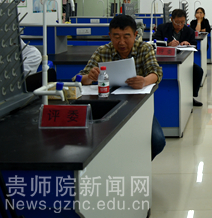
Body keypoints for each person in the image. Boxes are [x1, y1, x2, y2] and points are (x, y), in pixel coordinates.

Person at [76, 14, 165, 160]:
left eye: (126, 36)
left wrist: (144, 81)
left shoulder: (144, 49)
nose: (121, 42)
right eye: (116, 37)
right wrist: (89, 77)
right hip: (106, 106)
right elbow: (79, 78)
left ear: (135, 35)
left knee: (157, 141)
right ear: (110, 35)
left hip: (138, 105)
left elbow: (156, 73)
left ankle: (140, 164)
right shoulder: (103, 51)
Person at [153, 9, 205, 107]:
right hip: (165, 58)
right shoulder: (163, 28)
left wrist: (187, 43)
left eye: (182, 22)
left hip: (184, 60)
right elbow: (155, 42)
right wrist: (168, 44)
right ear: (172, 19)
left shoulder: (189, 31)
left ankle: (190, 97)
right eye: (177, 22)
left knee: (198, 71)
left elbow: (194, 45)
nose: (180, 25)